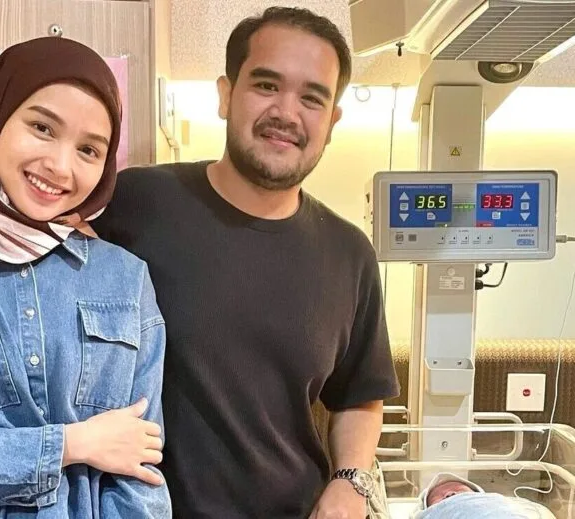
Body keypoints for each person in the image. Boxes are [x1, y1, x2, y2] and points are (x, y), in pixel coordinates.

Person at [92, 6, 399, 518]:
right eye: (266, 85)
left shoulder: (350, 254)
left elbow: (360, 396)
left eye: (312, 98)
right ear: (225, 94)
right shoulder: (134, 204)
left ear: (331, 121)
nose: (287, 113)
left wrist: (350, 481)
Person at [0, 37, 170, 517]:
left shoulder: (123, 279)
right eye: (41, 127)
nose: (60, 166)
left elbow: (140, 472)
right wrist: (69, 445)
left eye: (89, 150)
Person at [413, 473, 556, 519]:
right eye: (437, 496)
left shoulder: (496, 501)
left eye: (460, 490)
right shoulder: (436, 514)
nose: (451, 493)